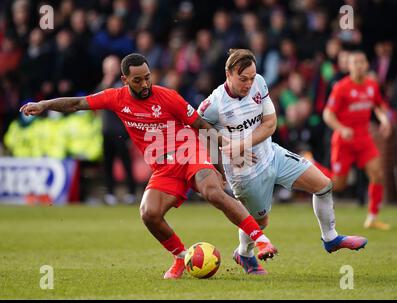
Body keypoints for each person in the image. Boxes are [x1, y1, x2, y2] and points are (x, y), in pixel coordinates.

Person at [20, 53, 278, 279]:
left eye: (147, 77)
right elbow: (78, 103)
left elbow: (202, 126)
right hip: (164, 168)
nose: (145, 84)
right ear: (124, 80)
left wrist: (227, 155)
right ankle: (179, 257)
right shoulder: (115, 98)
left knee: (213, 192)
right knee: (148, 213)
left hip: (190, 153)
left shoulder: (168, 97)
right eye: (138, 80)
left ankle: (261, 240)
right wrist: (44, 105)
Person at [198, 49, 368, 276]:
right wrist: (222, 160)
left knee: (324, 185)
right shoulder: (213, 104)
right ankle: (244, 254)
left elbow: (270, 124)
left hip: (273, 154)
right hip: (244, 173)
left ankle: (331, 238)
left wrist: (242, 145)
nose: (249, 83)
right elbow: (200, 133)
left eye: (251, 77)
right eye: (243, 79)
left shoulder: (259, 83)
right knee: (260, 222)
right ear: (228, 73)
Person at [323, 51, 392, 230]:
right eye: (356, 63)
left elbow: (379, 106)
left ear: (367, 64)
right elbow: (327, 114)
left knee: (377, 174)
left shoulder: (372, 85)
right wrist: (342, 128)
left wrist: (384, 120)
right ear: (349, 66)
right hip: (344, 141)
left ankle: (372, 217)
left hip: (364, 139)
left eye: (362, 62)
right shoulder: (341, 87)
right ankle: (309, 162)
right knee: (338, 184)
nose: (360, 65)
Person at [96, 55, 137, 205]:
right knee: (107, 164)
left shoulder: (122, 84)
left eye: (113, 66)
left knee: (126, 163)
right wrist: (104, 83)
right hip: (106, 131)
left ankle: (132, 192)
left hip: (121, 130)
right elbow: (96, 100)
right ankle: (110, 193)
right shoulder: (103, 84)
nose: (110, 69)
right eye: (108, 66)